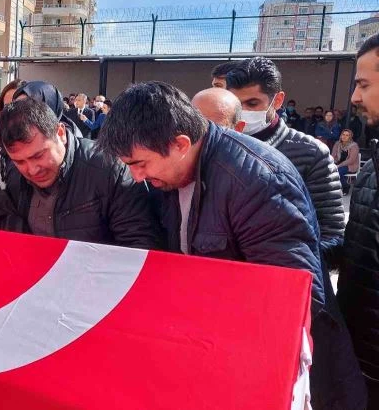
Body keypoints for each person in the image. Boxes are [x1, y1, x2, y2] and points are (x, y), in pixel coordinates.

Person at [97, 80, 366, 410]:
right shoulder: (170, 174)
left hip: (284, 372)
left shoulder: (256, 181)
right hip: (217, 350)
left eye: (140, 164)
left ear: (181, 143)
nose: (137, 176)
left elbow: (294, 299)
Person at [226, 57, 345, 266]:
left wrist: (287, 264)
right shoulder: (219, 148)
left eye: (252, 103)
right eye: (235, 104)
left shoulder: (311, 153)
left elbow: (333, 236)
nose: (242, 112)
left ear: (278, 100)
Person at [0, 97, 159, 247]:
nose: (32, 169)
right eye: (19, 161)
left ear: (60, 133)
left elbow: (139, 245)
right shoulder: (13, 176)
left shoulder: (109, 169)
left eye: (38, 156)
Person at [338, 33, 379, 405]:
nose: (354, 97)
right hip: (358, 365)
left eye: (364, 85)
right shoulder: (372, 168)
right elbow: (360, 248)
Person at [12, 81, 83, 139]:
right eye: (15, 106)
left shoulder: (73, 142)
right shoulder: (11, 135)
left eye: (27, 107)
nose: (18, 112)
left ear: (49, 107)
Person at [331, 129, 359, 193]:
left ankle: (345, 187)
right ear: (341, 135)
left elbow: (351, 160)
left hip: (349, 165)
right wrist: (332, 163)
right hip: (338, 163)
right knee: (329, 171)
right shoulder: (337, 144)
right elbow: (333, 155)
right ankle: (333, 188)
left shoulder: (354, 146)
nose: (344, 136)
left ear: (350, 137)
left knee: (338, 172)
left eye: (347, 135)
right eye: (343, 134)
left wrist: (339, 165)